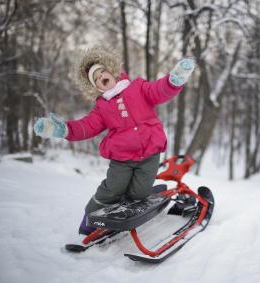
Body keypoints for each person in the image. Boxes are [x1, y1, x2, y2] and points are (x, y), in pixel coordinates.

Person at [34, 46, 195, 235]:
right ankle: (91, 216)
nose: (100, 77)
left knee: (139, 194)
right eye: (95, 79)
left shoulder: (138, 87)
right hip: (122, 158)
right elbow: (87, 126)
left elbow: (159, 90)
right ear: (96, 87)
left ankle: (122, 210)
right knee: (113, 188)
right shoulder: (102, 107)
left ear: (111, 71)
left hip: (150, 153)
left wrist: (173, 80)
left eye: (102, 72)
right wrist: (64, 129)